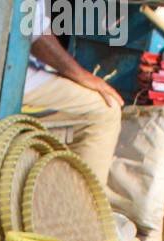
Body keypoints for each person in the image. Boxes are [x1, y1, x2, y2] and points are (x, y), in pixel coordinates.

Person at [22, 0, 124, 187]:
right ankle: (81, 211)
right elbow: (33, 30)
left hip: (14, 66)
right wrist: (80, 75)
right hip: (9, 78)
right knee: (104, 110)